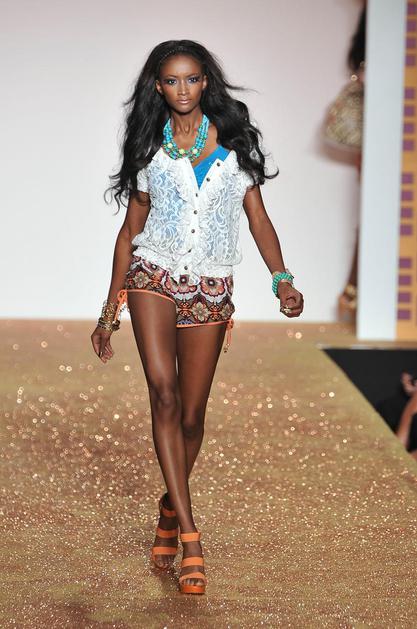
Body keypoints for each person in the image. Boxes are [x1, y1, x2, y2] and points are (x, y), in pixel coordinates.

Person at [90, 40, 304, 596]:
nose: (181, 89)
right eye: (171, 80)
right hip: (152, 275)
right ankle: (190, 538)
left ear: (205, 81)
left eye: (190, 79)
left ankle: (169, 506)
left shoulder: (234, 146)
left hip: (211, 284)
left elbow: (258, 219)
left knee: (191, 416)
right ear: (158, 86)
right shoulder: (148, 148)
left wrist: (282, 280)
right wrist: (110, 310)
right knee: (162, 394)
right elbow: (130, 231)